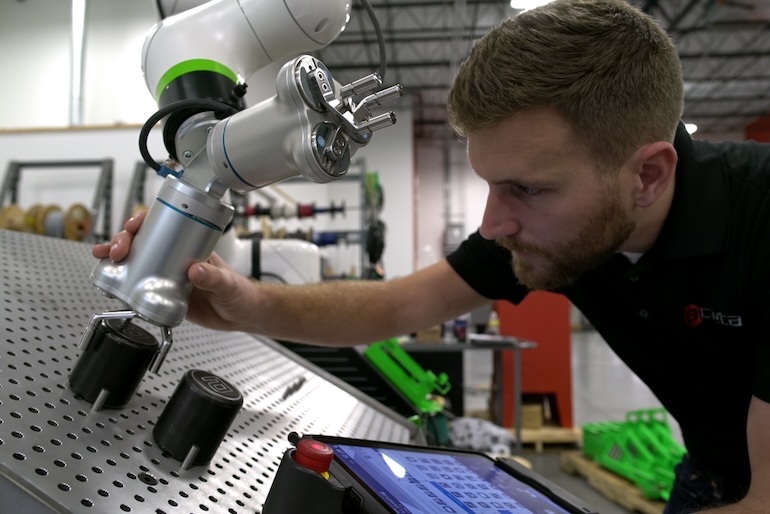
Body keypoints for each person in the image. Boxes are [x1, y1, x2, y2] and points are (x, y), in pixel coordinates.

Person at [93, 0, 770, 511]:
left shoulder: (761, 220)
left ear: (647, 175)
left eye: (527, 189)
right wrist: (247, 304)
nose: (493, 223)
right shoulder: (564, 221)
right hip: (706, 475)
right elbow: (397, 306)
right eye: (490, 184)